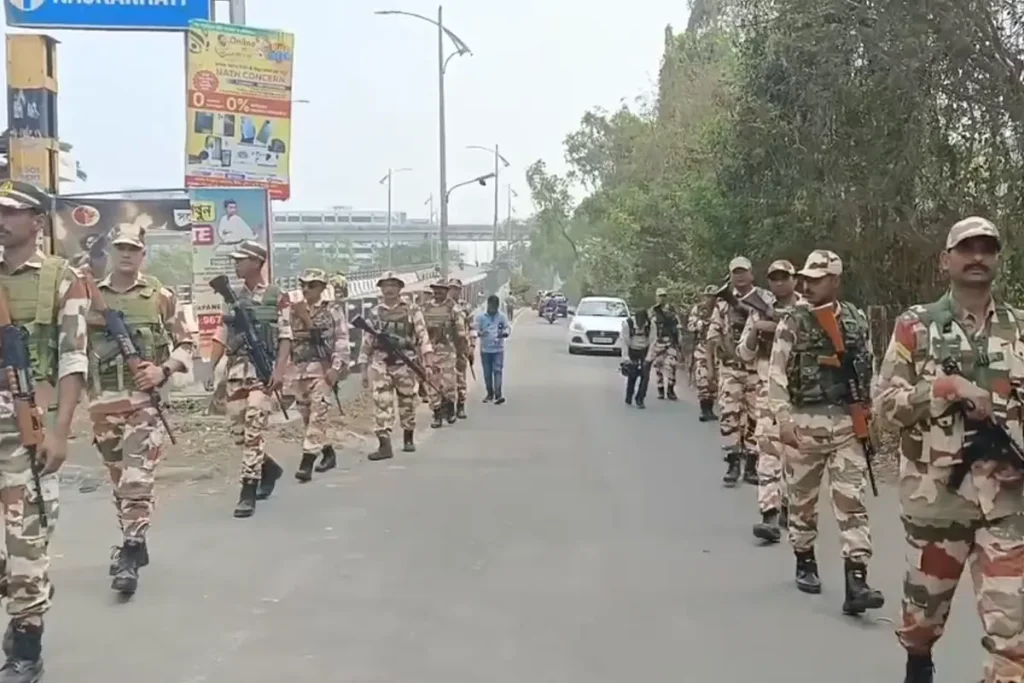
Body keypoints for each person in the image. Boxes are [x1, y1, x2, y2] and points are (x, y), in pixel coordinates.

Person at [874, 217, 1024, 683]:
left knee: (1015, 638)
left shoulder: (1019, 328)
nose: (977, 257)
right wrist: (944, 386)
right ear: (946, 261)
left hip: (1007, 505)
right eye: (966, 248)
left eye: (987, 249)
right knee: (922, 623)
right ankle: (918, 661)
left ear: (998, 260)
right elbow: (885, 409)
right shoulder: (915, 327)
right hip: (936, 504)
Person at [0, 180, 85, 681]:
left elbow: (74, 358)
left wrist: (59, 430)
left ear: (37, 221)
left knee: (26, 537)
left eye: (13, 212)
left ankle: (26, 643)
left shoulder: (61, 278)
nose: (3, 219)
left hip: (26, 425)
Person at [83, 223, 197, 596]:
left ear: (143, 254)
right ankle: (133, 538)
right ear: (111, 253)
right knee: (120, 482)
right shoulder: (87, 296)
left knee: (137, 478)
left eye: (134, 248)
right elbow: (71, 347)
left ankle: (130, 554)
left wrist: (161, 369)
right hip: (102, 405)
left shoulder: (159, 296)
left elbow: (187, 343)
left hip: (143, 406)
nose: (127, 254)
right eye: (120, 248)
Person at [768, 249, 883, 616]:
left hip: (847, 425)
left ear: (835, 280)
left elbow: (871, 367)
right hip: (804, 424)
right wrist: (783, 420)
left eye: (817, 279)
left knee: (852, 501)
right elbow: (777, 374)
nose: (808, 284)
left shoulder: (855, 319)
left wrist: (871, 414)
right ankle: (805, 560)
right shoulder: (793, 321)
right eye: (806, 278)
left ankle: (857, 579)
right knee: (802, 502)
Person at [208, 241, 291, 519]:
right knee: (239, 434)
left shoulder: (277, 296)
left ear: (256, 262)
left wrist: (279, 372)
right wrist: (210, 369)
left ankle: (247, 490)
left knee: (254, 428)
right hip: (235, 373)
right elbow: (221, 335)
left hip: (262, 373)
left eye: (241, 260)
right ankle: (269, 469)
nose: (236, 264)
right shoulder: (231, 297)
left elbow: (285, 338)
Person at [737, 260, 801, 544]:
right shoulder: (760, 311)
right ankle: (769, 514)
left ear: (795, 279)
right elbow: (745, 355)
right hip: (767, 391)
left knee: (797, 457)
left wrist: (781, 332)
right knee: (767, 452)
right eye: (773, 278)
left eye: (784, 277)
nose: (778, 283)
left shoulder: (805, 312)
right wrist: (756, 329)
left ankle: (790, 507)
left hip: (800, 393)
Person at [708, 256, 773, 486]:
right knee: (729, 415)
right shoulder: (723, 303)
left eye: (743, 271)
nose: (740, 276)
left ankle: (753, 464)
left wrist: (741, 306)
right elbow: (714, 333)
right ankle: (733, 461)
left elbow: (768, 318)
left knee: (756, 416)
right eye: (736, 272)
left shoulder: (764, 298)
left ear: (752, 274)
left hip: (756, 368)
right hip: (731, 368)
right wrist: (712, 366)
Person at [358, 271, 433, 459]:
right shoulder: (375, 312)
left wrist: (428, 358)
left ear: (400, 288)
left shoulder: (412, 310)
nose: (389, 289)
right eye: (385, 285)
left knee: (407, 402)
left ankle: (408, 438)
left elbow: (422, 335)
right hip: (381, 363)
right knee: (381, 402)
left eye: (393, 285)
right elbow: (367, 340)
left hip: (405, 362)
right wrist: (363, 368)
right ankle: (384, 444)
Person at [288, 268, 349, 482]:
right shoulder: (293, 310)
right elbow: (287, 340)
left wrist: (336, 367)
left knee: (318, 414)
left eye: (311, 285)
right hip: (299, 371)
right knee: (307, 417)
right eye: (303, 285)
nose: (306, 289)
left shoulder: (332, 310)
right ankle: (328, 452)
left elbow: (341, 339)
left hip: (322, 370)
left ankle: (306, 462)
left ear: (322, 288)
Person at [421, 280, 467, 427]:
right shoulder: (425, 308)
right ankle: (437, 413)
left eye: (441, 290)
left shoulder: (453, 309)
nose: (437, 292)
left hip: (448, 351)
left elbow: (461, 334)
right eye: (435, 289)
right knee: (433, 384)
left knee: (448, 384)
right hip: (431, 353)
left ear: (446, 291)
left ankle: (450, 407)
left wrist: (462, 353)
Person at [688, 285, 719, 421]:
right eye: (708, 296)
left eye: (713, 296)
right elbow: (690, 326)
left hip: (718, 349)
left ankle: (710, 409)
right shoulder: (698, 309)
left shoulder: (722, 308)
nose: (710, 299)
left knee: (715, 381)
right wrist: (700, 323)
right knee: (702, 379)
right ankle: (704, 410)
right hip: (702, 347)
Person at [447, 278, 476, 418]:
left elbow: (472, 327)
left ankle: (460, 405)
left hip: (460, 347)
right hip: (444, 348)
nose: (454, 291)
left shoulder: (465, 307)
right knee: (445, 379)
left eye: (456, 289)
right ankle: (447, 407)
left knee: (460, 378)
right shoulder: (442, 306)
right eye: (451, 288)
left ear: (460, 290)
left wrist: (473, 346)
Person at [475, 295, 510, 404]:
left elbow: (507, 327)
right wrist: (480, 333)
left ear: (497, 306)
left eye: (495, 307)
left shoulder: (502, 317)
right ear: (488, 305)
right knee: (487, 373)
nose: (492, 309)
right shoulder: (481, 317)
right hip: (485, 350)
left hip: (498, 350)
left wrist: (505, 333)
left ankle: (498, 395)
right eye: (491, 306)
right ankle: (490, 394)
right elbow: (475, 330)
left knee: (498, 371)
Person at [647, 287, 681, 400]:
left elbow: (677, 324)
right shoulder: (652, 310)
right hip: (658, 341)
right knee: (658, 366)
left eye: (664, 296)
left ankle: (670, 390)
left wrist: (678, 341)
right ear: (656, 297)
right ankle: (660, 389)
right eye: (660, 296)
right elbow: (648, 325)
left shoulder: (671, 310)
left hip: (670, 341)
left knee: (672, 365)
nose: (662, 298)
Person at [620, 308, 652, 408]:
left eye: (643, 322)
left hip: (645, 350)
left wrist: (649, 357)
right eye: (639, 322)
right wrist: (626, 358)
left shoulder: (651, 326)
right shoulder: (628, 324)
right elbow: (624, 341)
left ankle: (640, 399)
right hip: (632, 350)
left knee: (645, 376)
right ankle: (629, 395)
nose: (640, 324)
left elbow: (653, 341)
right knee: (632, 375)